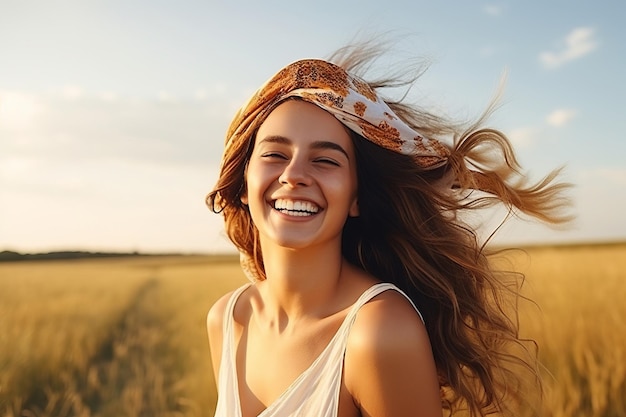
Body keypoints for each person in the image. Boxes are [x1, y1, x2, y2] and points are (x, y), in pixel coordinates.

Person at [206, 42, 570, 417]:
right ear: (243, 183)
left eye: (326, 160)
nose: (294, 175)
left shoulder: (379, 331)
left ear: (356, 198)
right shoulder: (228, 319)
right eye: (275, 154)